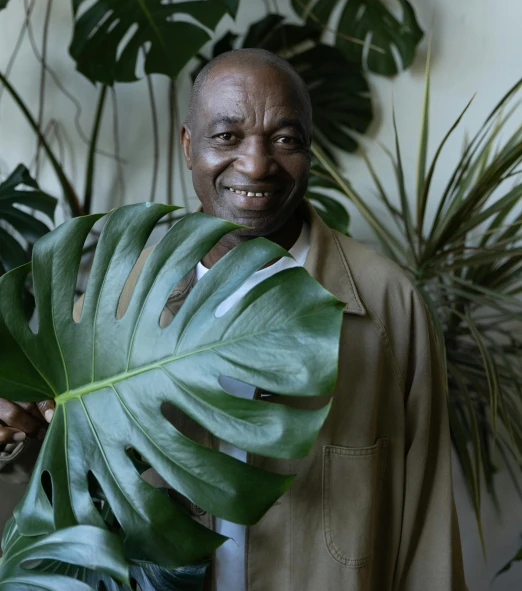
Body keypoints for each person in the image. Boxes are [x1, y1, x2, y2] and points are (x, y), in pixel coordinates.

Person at [0, 48, 467, 590]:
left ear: (310, 151)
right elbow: (55, 469)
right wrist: (15, 425)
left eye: (285, 140)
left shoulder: (385, 304)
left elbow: (428, 512)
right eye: (227, 137)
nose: (256, 164)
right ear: (187, 145)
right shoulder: (116, 302)